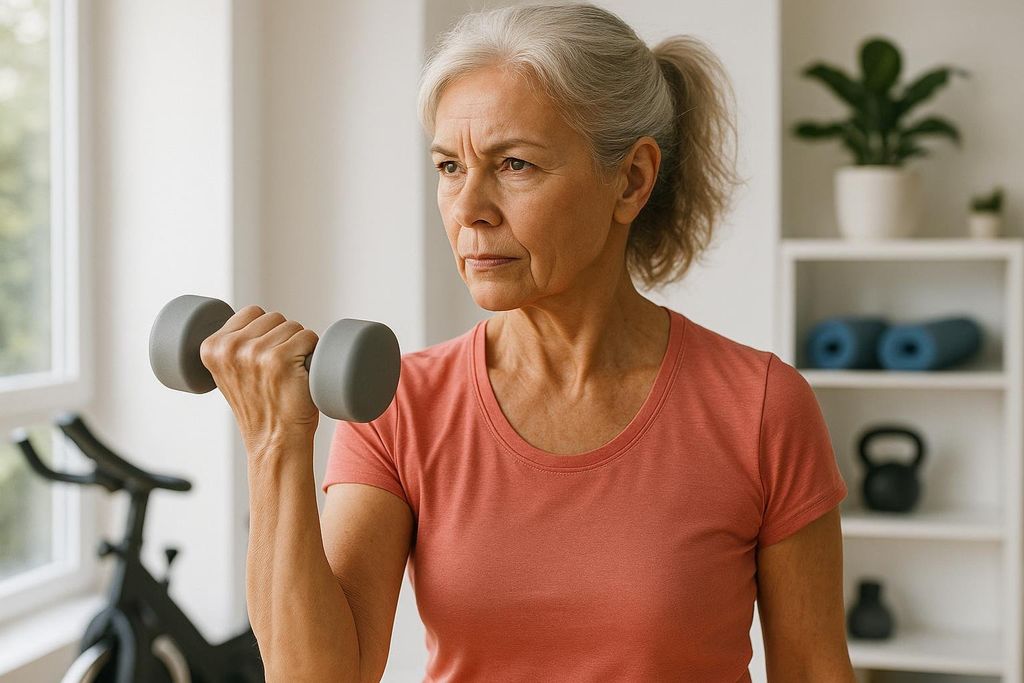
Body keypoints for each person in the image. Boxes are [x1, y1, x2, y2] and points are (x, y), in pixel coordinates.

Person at [201, 3, 855, 681]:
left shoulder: (760, 407)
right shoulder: (400, 408)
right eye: (450, 166)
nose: (469, 209)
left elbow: (812, 668)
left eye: (514, 164)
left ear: (631, 179)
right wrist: (275, 442)